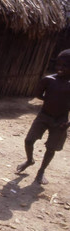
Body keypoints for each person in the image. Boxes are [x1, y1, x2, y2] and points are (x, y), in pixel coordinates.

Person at [16, 50, 70, 185]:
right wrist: (51, 101)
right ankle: (29, 160)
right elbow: (39, 95)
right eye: (58, 65)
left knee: (51, 148)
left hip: (61, 121)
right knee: (29, 140)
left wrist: (68, 123)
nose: (60, 68)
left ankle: (41, 171)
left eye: (65, 66)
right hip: (43, 116)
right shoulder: (48, 80)